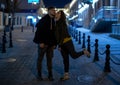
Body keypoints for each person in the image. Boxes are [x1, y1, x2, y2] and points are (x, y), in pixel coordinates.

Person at [55, 10, 90, 80]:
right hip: (62, 43)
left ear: (61, 15)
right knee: (65, 59)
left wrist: (59, 45)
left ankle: (84, 52)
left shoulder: (62, 23)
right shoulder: (57, 22)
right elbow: (57, 35)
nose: (56, 13)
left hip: (67, 42)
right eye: (57, 12)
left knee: (74, 55)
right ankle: (66, 75)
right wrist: (59, 44)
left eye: (58, 13)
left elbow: (62, 35)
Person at [33, 6, 57, 81]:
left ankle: (50, 75)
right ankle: (39, 74)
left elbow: (54, 34)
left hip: (50, 45)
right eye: (53, 10)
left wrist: (54, 44)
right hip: (43, 44)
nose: (54, 12)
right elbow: (38, 32)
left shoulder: (53, 20)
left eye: (54, 10)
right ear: (49, 11)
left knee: (49, 60)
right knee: (40, 59)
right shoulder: (43, 19)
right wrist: (40, 42)